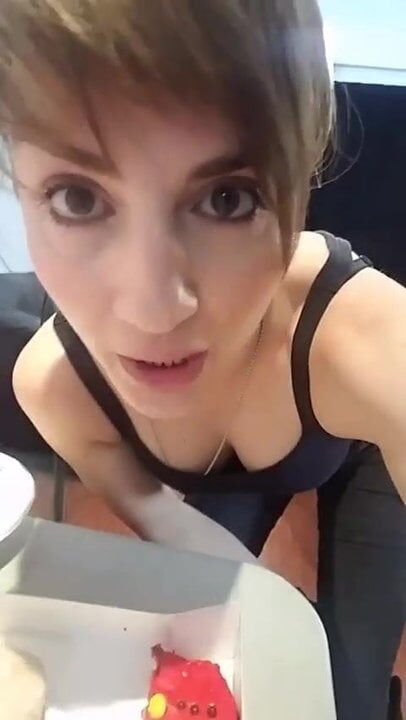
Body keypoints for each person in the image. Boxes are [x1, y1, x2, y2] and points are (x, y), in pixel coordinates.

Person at [0, 1, 404, 717]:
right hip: (225, 475)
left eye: (227, 199)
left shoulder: (372, 348)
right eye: (77, 199)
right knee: (217, 640)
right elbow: (176, 530)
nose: (154, 312)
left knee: (350, 687)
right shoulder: (55, 387)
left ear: (300, 180)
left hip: (357, 452)